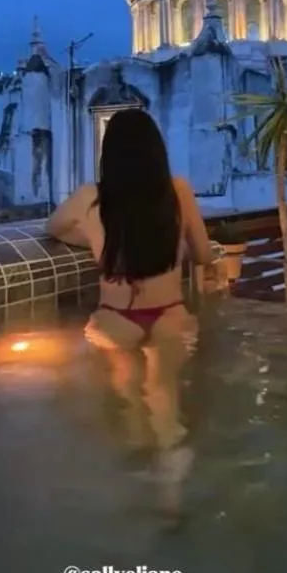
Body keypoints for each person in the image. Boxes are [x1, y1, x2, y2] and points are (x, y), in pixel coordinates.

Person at [47, 109, 216, 496]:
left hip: (115, 318)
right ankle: (171, 491)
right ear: (157, 150)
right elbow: (204, 255)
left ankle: (134, 481)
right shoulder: (178, 190)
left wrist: (93, 240)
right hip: (171, 314)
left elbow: (52, 228)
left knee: (127, 392)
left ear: (110, 154)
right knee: (163, 393)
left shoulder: (90, 197)